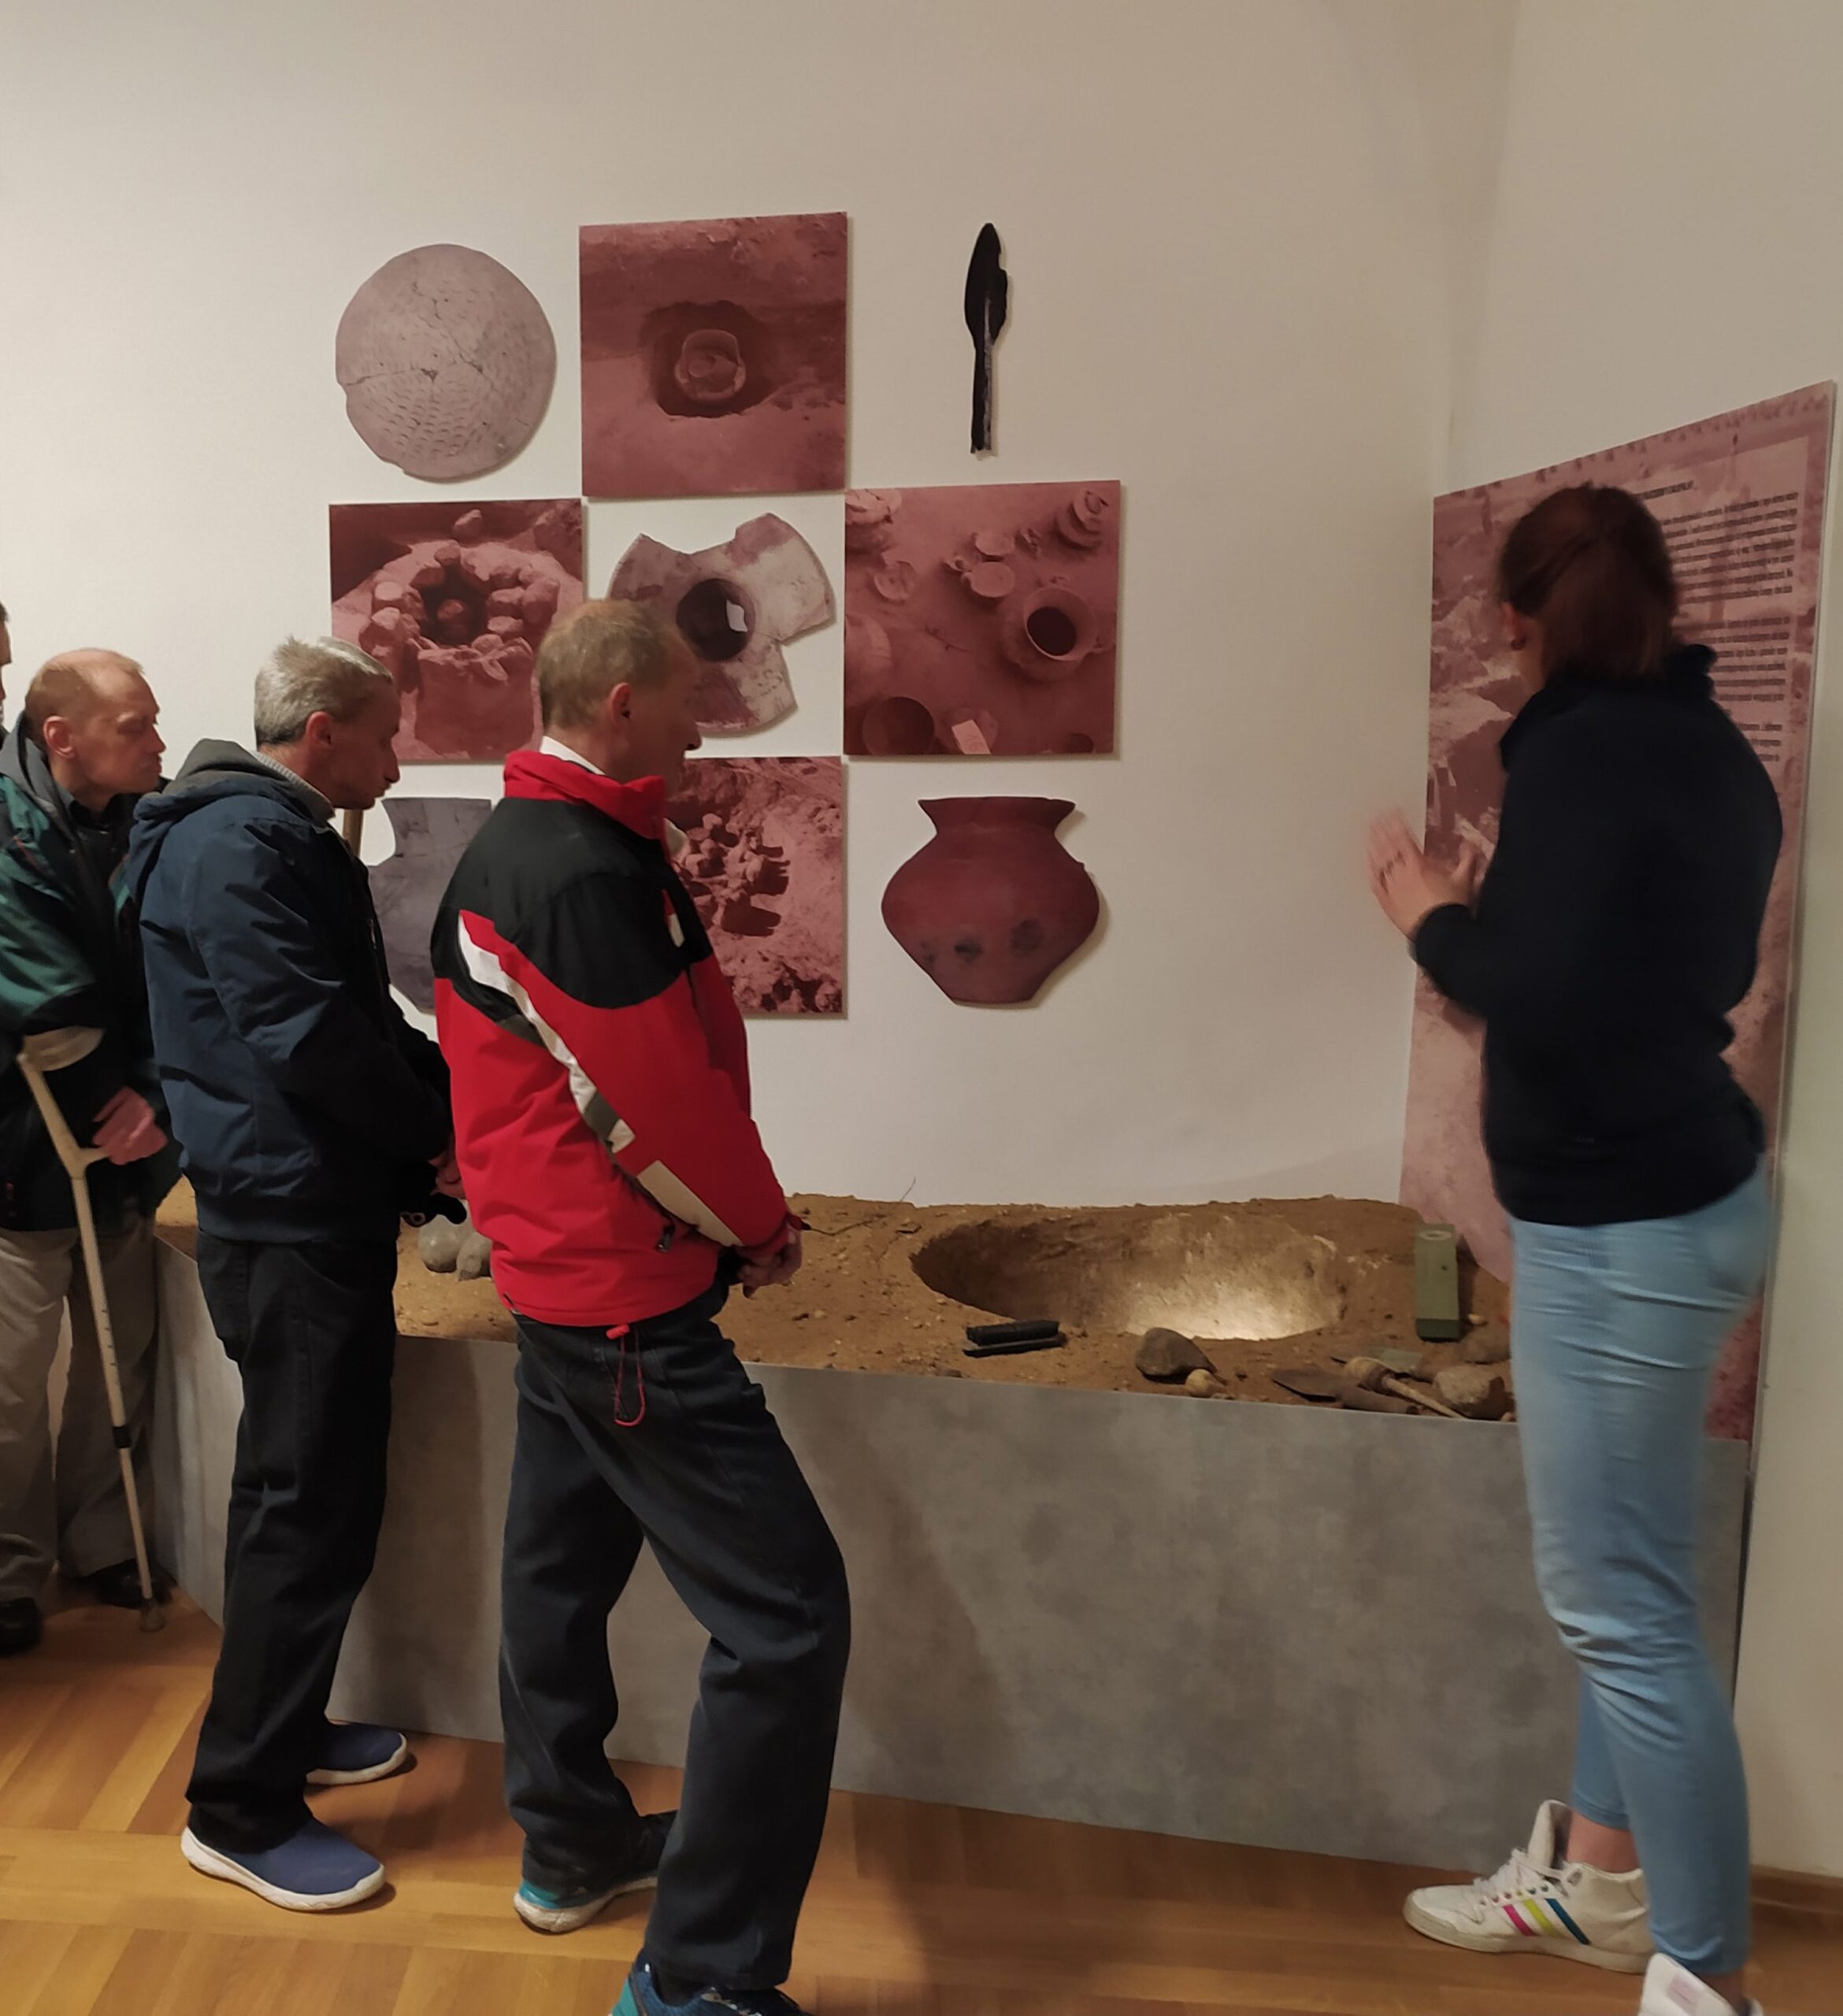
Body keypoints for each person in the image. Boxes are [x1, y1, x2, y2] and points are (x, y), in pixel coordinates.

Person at [1369, 484, 1778, 2016]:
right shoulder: (1712, 747)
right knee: (1639, 1589)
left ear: (1518, 621)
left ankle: (1706, 1981)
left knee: (1623, 1611)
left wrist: (1426, 911)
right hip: (1690, 1198)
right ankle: (1600, 1884)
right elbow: (1650, 975)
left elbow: (1529, 989)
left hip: (1621, 1229)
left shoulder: (1583, 752)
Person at [432, 601, 848, 2016]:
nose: (702, 724)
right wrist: (757, 1226)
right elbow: (650, 1100)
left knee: (557, 1570)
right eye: (685, 700)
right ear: (619, 704)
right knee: (788, 1619)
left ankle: (570, 1847)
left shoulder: (560, 842)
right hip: (620, 1300)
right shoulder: (566, 867)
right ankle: (702, 1981)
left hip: (566, 1284)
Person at [128, 637, 458, 1912]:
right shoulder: (241, 844)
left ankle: (289, 1725)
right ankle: (239, 1807)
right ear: (322, 733)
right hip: (287, 1218)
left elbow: (352, 1018)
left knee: (308, 1488)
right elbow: (309, 1035)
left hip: (300, 1205)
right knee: (303, 1502)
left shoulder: (268, 836)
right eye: (385, 734)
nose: (397, 761)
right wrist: (436, 1135)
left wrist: (454, 1100)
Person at [0, 651, 177, 1656]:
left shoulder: (153, 821)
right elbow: (41, 987)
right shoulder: (7, 825)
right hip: (23, 1143)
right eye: (135, 725)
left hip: (128, 1140)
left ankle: (105, 1543)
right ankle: (7, 1569)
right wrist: (118, 1096)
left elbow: (179, 973)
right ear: (63, 737)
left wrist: (150, 1097)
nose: (157, 741)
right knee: (12, 1381)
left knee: (122, 1349)